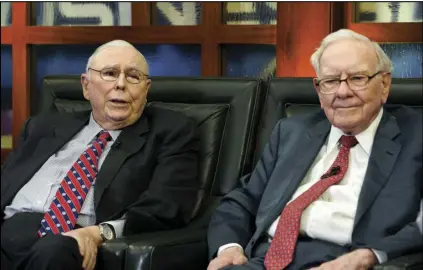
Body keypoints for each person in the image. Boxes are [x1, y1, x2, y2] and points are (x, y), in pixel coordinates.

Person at [207, 29, 422, 270]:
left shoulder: (416, 135)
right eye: (331, 81)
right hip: (262, 260)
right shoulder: (292, 131)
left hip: (343, 261)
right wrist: (228, 248)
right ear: (319, 90)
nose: (342, 92)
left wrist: (371, 255)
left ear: (384, 84)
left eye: (357, 78)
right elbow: (242, 200)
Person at [1, 40, 200, 270]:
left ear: (146, 90)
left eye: (133, 76)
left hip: (70, 240)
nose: (121, 84)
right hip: (10, 229)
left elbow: (167, 207)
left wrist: (98, 233)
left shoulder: (171, 132)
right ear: (86, 86)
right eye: (110, 73)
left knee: (54, 251)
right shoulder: (43, 127)